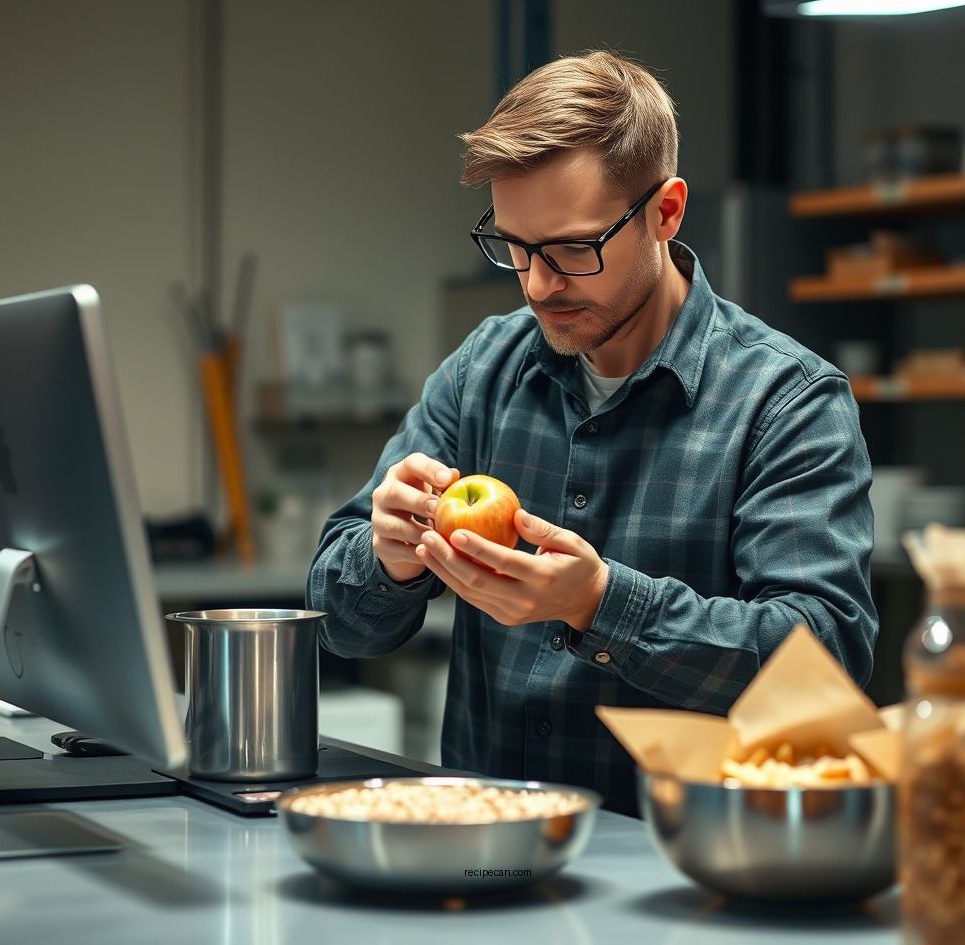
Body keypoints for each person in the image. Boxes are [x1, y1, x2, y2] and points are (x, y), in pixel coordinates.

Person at [307, 49, 877, 816]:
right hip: (487, 851)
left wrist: (603, 603)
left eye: (575, 249)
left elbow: (824, 661)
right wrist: (388, 559)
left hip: (686, 873)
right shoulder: (484, 370)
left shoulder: (786, 402)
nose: (540, 283)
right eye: (515, 246)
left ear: (665, 212)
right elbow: (341, 626)